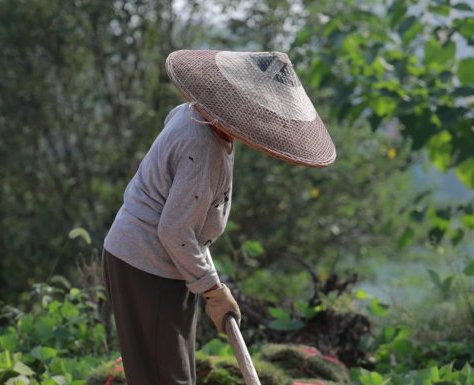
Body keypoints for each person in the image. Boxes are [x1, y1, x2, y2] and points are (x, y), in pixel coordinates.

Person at [102, 49, 336, 385]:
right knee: (166, 379)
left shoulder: (192, 115)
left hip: (161, 262)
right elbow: (175, 231)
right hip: (146, 264)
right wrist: (212, 290)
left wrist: (208, 282)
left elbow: (187, 224)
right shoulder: (204, 147)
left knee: (170, 372)